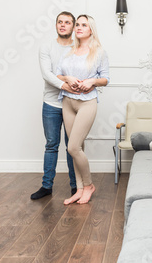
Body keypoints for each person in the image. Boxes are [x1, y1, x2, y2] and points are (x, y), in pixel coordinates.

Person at [31, 11, 90, 200]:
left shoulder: (79, 47)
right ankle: (46, 186)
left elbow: (86, 72)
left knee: (73, 146)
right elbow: (46, 74)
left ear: (73, 26)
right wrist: (64, 84)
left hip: (74, 104)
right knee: (51, 145)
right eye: (59, 22)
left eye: (67, 22)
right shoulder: (46, 46)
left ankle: (77, 187)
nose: (63, 25)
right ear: (56, 25)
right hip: (51, 103)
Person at [57, 14, 110, 205]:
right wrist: (67, 79)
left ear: (91, 29)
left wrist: (92, 81)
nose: (79, 28)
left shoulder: (99, 52)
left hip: (87, 102)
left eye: (83, 25)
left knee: (73, 147)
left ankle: (88, 185)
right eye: (77, 24)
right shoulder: (69, 51)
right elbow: (58, 74)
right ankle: (79, 189)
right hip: (68, 102)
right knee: (76, 148)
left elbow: (105, 78)